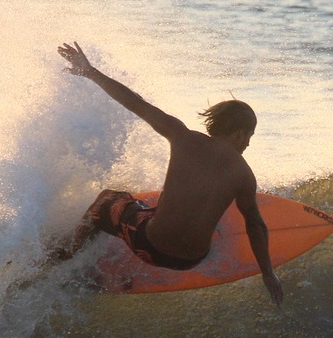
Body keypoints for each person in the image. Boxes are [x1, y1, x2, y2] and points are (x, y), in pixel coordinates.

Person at [52, 42, 284, 306]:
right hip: (193, 260)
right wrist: (268, 272)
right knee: (177, 211)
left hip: (150, 247)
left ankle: (62, 255)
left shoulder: (182, 137)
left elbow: (135, 102)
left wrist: (90, 72)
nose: (248, 144)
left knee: (107, 199)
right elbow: (255, 224)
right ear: (241, 132)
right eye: (250, 136)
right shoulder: (244, 175)